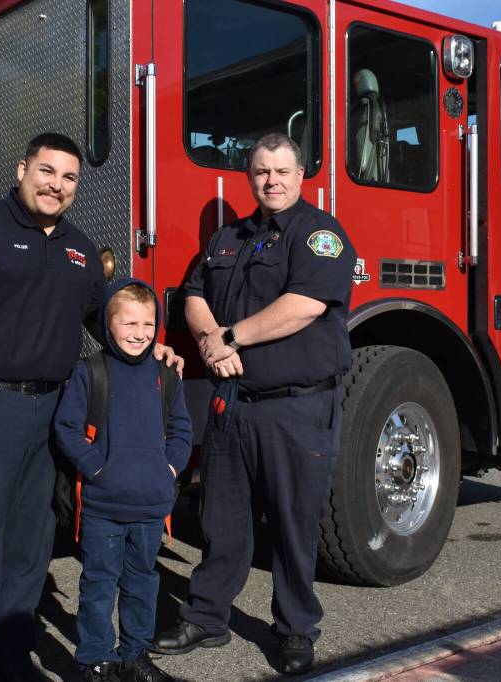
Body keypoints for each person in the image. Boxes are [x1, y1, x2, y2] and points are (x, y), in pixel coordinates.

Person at [0, 133, 180, 682]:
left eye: (68, 178)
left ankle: (11, 658)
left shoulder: (81, 252)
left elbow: (105, 324)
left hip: (49, 410)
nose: (56, 185)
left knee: (30, 546)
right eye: (46, 171)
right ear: (22, 170)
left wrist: (152, 346)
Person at [152, 133, 356, 675]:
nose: (272, 180)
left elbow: (305, 305)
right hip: (233, 404)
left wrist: (232, 338)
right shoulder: (227, 238)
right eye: (262, 171)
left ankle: (294, 629)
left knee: (293, 523)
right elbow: (193, 293)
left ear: (300, 175)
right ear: (250, 178)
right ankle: (206, 617)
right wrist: (207, 342)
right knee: (222, 520)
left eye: (282, 171)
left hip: (296, 408)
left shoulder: (320, 235)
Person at [54, 279, 192, 682]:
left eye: (148, 325)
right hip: (102, 508)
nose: (140, 334)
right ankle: (96, 659)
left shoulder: (166, 375)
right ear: (108, 325)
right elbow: (67, 428)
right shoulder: (90, 371)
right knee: (98, 587)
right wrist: (97, 468)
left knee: (142, 586)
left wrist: (167, 470)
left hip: (150, 508)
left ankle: (135, 657)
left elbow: (182, 430)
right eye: (129, 324)